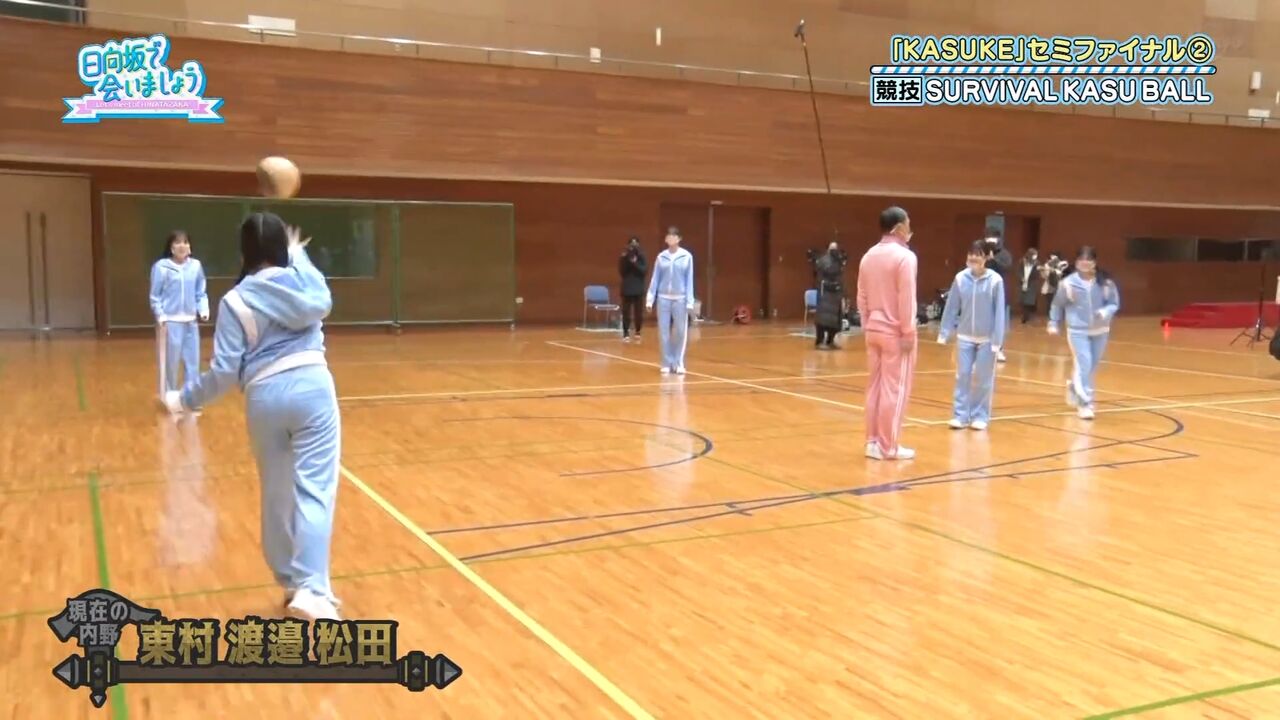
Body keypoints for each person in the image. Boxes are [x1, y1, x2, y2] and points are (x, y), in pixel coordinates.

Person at [162, 212, 343, 621]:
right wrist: (299, 252)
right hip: (313, 389)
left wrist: (186, 399)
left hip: (264, 397)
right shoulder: (304, 281)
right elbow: (322, 299)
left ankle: (292, 582)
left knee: (277, 493)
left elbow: (225, 371)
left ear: (244, 251)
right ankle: (314, 591)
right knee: (315, 491)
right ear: (281, 246)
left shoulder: (234, 300)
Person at [856, 207, 918, 460]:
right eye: (908, 223)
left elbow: (861, 296)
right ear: (899, 227)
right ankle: (888, 446)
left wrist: (867, 323)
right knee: (895, 389)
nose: (910, 228)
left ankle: (872, 442)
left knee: (875, 387)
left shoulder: (868, 256)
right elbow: (907, 298)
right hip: (895, 333)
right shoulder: (905, 257)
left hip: (873, 330)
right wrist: (908, 332)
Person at [937, 241, 1007, 430]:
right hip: (965, 336)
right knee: (962, 375)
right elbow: (952, 306)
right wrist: (945, 331)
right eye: (971, 254)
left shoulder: (995, 281)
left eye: (978, 254)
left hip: (987, 339)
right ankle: (960, 415)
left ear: (987, 257)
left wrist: (997, 340)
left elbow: (999, 312)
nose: (973, 258)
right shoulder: (960, 278)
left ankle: (980, 416)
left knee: (983, 379)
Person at [1048, 246, 1119, 420]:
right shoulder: (1068, 283)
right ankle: (1085, 403)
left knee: (1091, 366)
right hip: (1077, 330)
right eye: (1081, 259)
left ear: (1094, 262)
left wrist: (1104, 312)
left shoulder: (1105, 283)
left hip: (1100, 330)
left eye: (1089, 259)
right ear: (1076, 262)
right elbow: (1057, 304)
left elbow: (1114, 303)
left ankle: (1075, 386)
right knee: (1084, 363)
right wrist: (1053, 322)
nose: (1085, 263)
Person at [149, 230, 208, 402]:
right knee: (170, 363)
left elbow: (201, 292)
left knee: (193, 362)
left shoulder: (195, 266)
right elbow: (155, 296)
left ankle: (191, 399)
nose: (182, 246)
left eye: (185, 242)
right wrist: (160, 315)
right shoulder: (161, 267)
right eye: (177, 242)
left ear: (190, 247)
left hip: (190, 322)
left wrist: (203, 309)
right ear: (171, 247)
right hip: (170, 322)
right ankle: (170, 397)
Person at [646, 226, 695, 375]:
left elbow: (689, 280)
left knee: (680, 331)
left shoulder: (686, 256)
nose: (671, 238)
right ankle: (666, 362)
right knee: (663, 332)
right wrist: (650, 299)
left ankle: (678, 362)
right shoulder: (661, 257)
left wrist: (690, 301)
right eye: (668, 236)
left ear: (679, 239)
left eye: (674, 236)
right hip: (663, 299)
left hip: (680, 299)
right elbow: (655, 278)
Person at [983, 233, 1013, 362]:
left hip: (1000, 292)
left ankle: (998, 349)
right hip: (983, 292)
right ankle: (982, 349)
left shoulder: (1005, 254)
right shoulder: (981, 252)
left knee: (999, 322)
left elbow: (1007, 267)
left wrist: (993, 259)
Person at [813, 242, 845, 349]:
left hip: (836, 294)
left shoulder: (838, 260)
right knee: (822, 320)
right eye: (832, 248)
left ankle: (830, 341)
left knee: (835, 321)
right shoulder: (824, 260)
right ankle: (819, 342)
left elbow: (840, 276)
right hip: (825, 293)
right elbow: (824, 272)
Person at [618, 236, 647, 342]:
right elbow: (622, 272)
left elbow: (644, 271)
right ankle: (625, 333)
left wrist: (635, 262)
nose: (633, 247)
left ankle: (638, 331)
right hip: (627, 288)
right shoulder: (624, 257)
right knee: (626, 312)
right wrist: (627, 260)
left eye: (635, 245)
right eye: (631, 245)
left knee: (638, 312)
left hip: (638, 288)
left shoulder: (642, 256)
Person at [1017, 248, 1040, 324]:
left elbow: (1037, 274)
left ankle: (1027, 317)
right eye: (1034, 255)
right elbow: (1019, 271)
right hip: (1023, 283)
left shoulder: (1037, 263)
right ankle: (1025, 316)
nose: (1035, 256)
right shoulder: (1022, 261)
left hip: (1031, 284)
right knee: (1023, 301)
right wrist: (1022, 278)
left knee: (1029, 301)